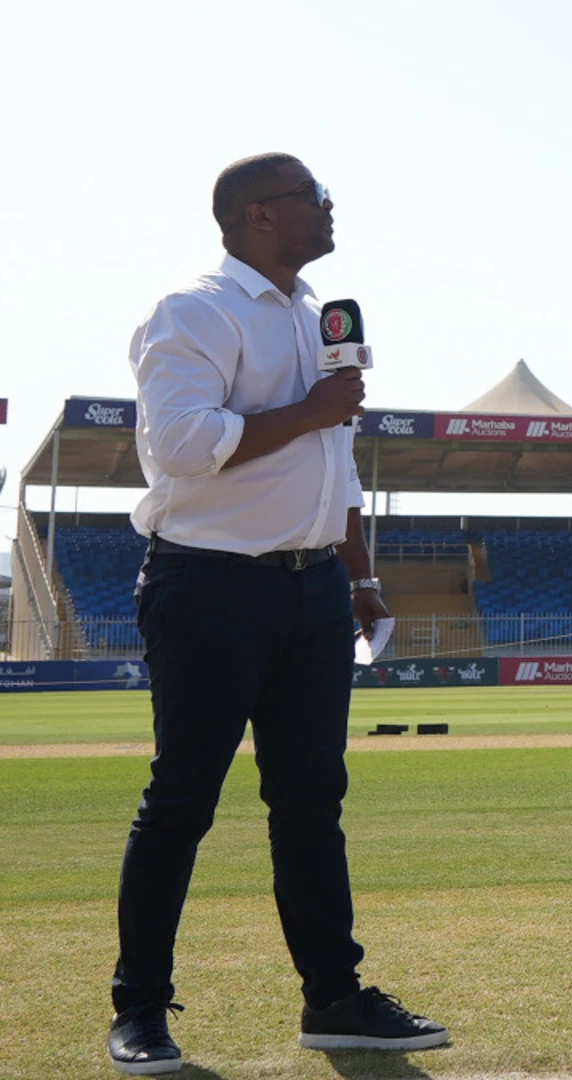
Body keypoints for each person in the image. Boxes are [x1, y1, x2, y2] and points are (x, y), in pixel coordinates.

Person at [109, 153, 446, 1075]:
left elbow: (332, 470)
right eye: (312, 195)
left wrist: (362, 579)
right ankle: (139, 1008)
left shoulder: (314, 319)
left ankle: (334, 999)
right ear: (259, 215)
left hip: (312, 589)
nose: (329, 206)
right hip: (210, 585)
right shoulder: (193, 311)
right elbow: (180, 447)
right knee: (181, 802)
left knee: (310, 803)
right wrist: (310, 410)